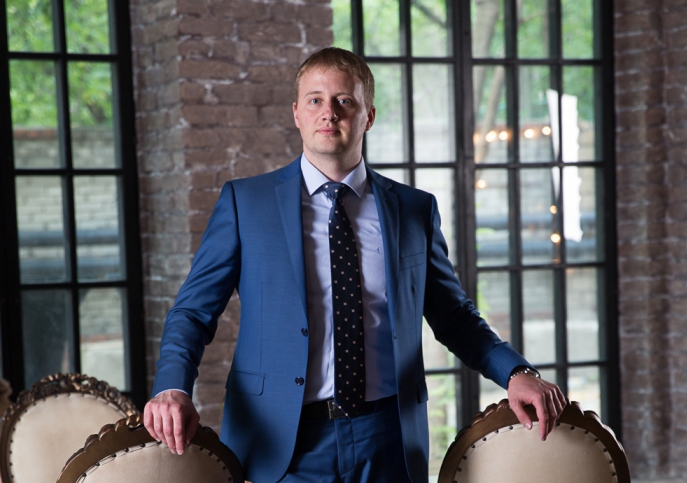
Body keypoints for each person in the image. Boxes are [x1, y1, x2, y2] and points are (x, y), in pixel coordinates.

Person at [144, 47, 565, 483]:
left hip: (388, 440)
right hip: (282, 442)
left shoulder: (413, 210)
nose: (329, 112)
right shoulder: (245, 203)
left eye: (344, 101)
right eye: (315, 100)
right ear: (296, 113)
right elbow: (193, 311)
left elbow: (454, 316)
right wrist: (172, 386)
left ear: (368, 116)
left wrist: (516, 371)